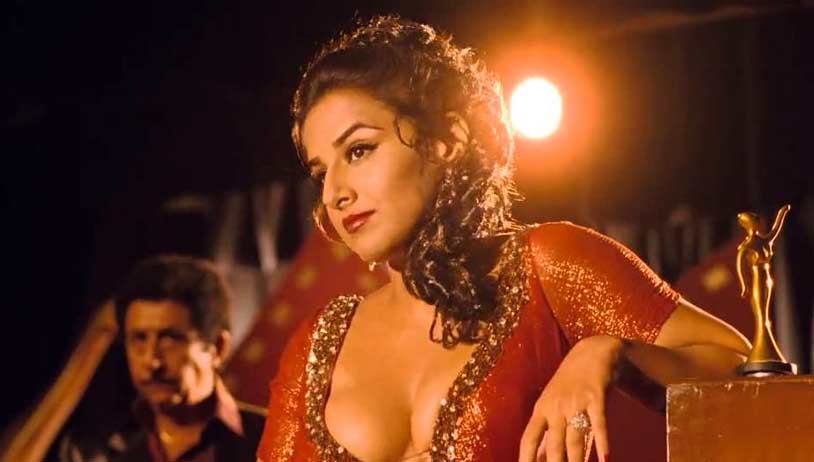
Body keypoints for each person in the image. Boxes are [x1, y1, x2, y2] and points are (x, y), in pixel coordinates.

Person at [256, 16, 750, 462]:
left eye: (359, 150)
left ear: (447, 141)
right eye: (320, 172)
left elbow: (739, 370)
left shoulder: (547, 266)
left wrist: (611, 352)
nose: (335, 193)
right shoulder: (317, 347)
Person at [60, 255, 265, 462]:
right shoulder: (117, 455)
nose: (152, 361)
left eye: (170, 340)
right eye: (139, 339)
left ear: (218, 348)